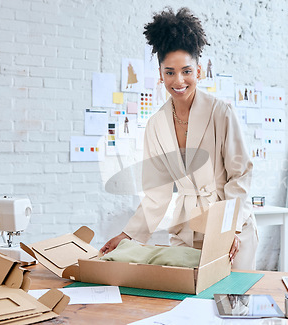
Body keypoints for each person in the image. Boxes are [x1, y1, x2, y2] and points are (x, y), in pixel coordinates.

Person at [100, 7, 258, 270]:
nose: (179, 80)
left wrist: (230, 228)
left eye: (186, 71)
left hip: (231, 230)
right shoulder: (156, 125)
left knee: (230, 305)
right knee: (189, 304)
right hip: (186, 232)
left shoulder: (221, 113)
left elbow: (240, 176)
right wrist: (128, 235)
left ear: (198, 71)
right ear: (160, 75)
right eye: (170, 72)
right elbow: (156, 194)